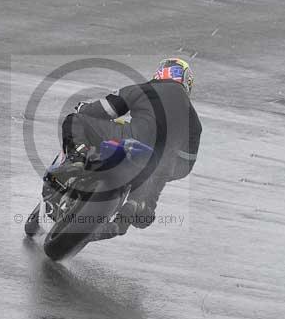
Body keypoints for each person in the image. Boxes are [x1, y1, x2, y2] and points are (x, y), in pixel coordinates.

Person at [56, 57, 202, 240]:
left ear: (161, 72)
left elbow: (104, 109)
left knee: (75, 120)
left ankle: (77, 160)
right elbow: (186, 165)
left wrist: (84, 108)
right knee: (145, 205)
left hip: (129, 139)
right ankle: (131, 211)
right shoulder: (194, 121)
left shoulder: (145, 89)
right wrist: (164, 170)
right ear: (186, 82)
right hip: (158, 164)